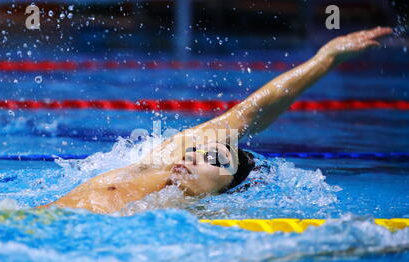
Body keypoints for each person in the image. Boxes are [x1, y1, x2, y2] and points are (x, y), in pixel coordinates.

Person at [37, 27, 392, 214]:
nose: (193, 155)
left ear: (225, 190)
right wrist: (325, 59)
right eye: (197, 149)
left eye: (214, 160)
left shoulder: (203, 219)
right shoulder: (155, 169)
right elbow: (248, 113)